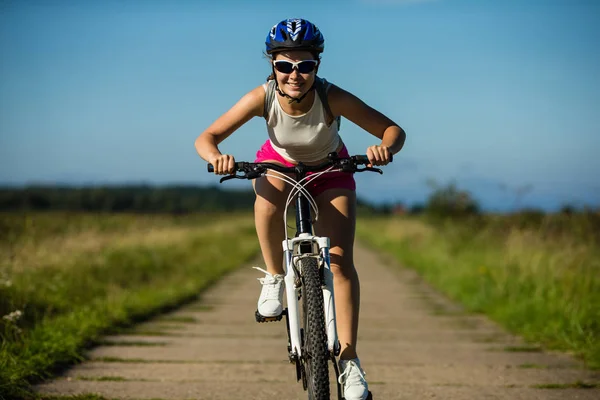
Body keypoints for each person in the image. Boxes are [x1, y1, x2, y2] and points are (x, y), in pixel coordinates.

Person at [195, 18, 405, 400]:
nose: (295, 74)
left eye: (305, 65)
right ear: (272, 65)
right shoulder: (262, 97)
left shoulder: (331, 96)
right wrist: (218, 157)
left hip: (330, 169)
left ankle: (349, 360)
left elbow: (393, 130)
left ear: (317, 66)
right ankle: (275, 276)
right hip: (279, 167)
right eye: (285, 65)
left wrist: (384, 148)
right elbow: (207, 137)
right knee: (266, 201)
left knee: (340, 263)